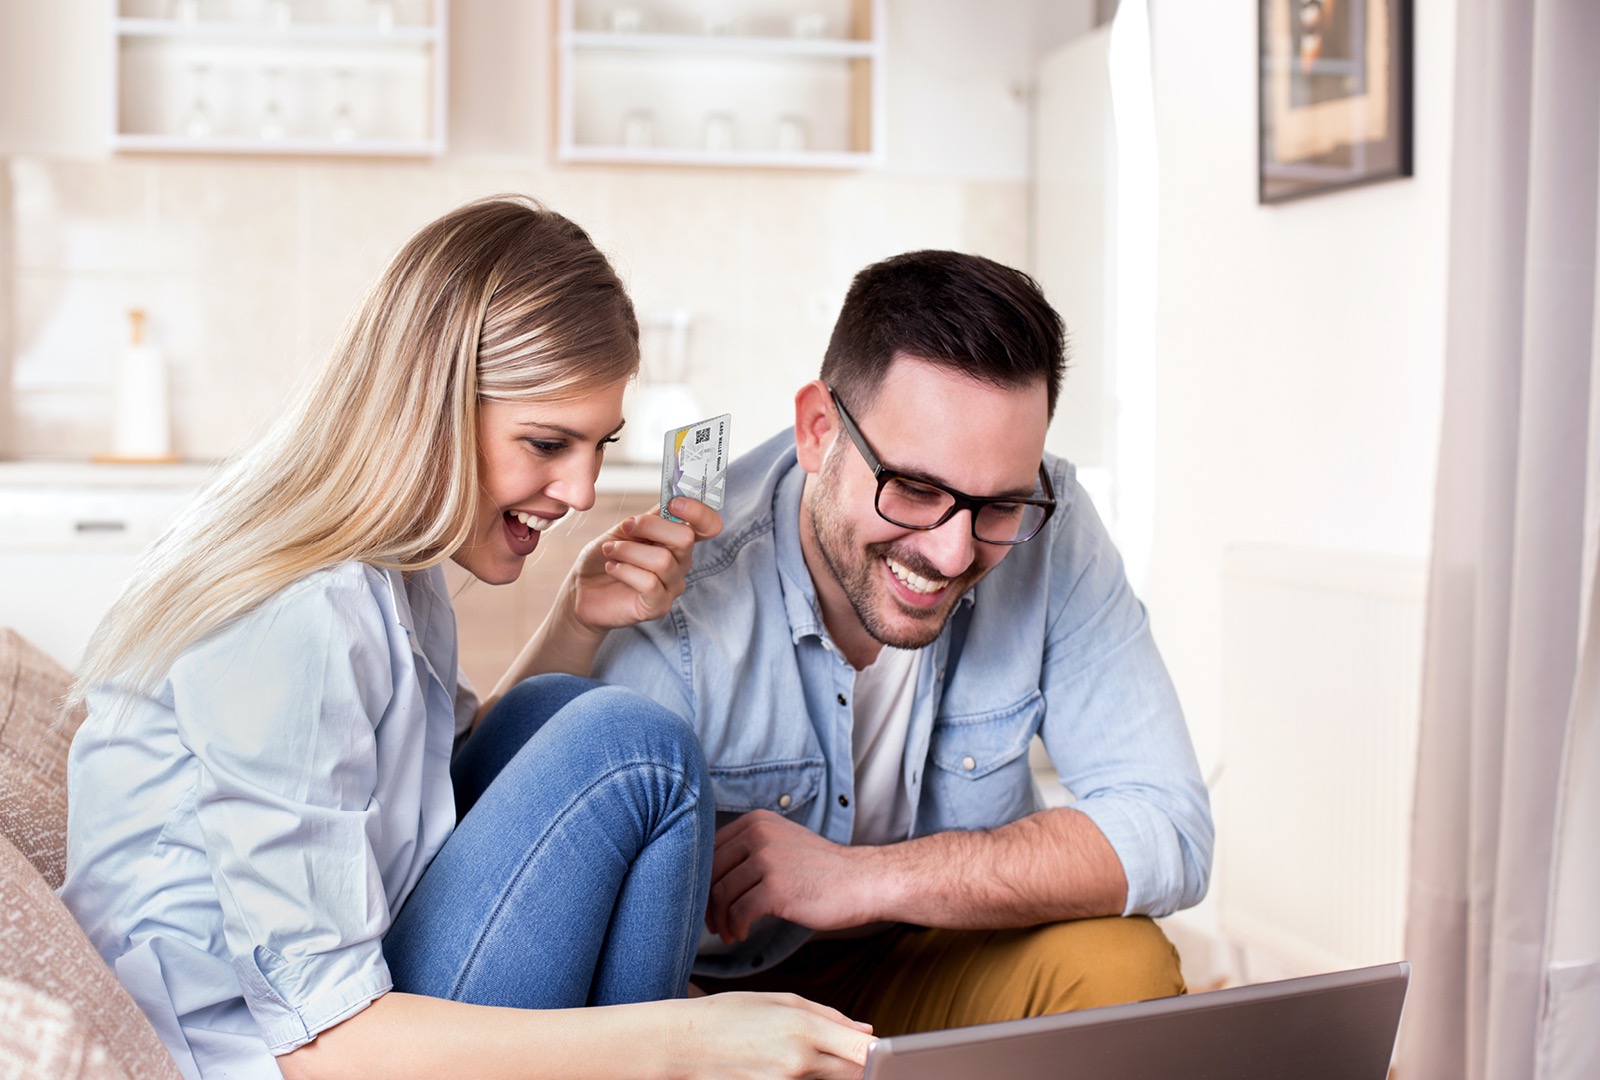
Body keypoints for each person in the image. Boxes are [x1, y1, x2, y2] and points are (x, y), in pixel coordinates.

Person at [60, 196, 875, 1080]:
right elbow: (321, 1042)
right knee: (633, 749)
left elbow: (443, 786)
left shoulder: (389, 566)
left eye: (600, 444)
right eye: (548, 442)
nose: (579, 491)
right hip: (275, 1053)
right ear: (431, 406)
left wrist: (576, 616)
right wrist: (686, 1043)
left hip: (333, 1010)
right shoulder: (295, 614)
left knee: (582, 718)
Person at [591, 249, 1215, 1035]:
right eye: (915, 489)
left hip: (930, 947)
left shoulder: (1054, 525)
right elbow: (585, 930)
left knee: (1127, 966)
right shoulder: (683, 589)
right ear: (820, 431)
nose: (954, 556)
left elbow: (1170, 829)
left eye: (998, 506)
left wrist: (863, 880)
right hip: (714, 995)